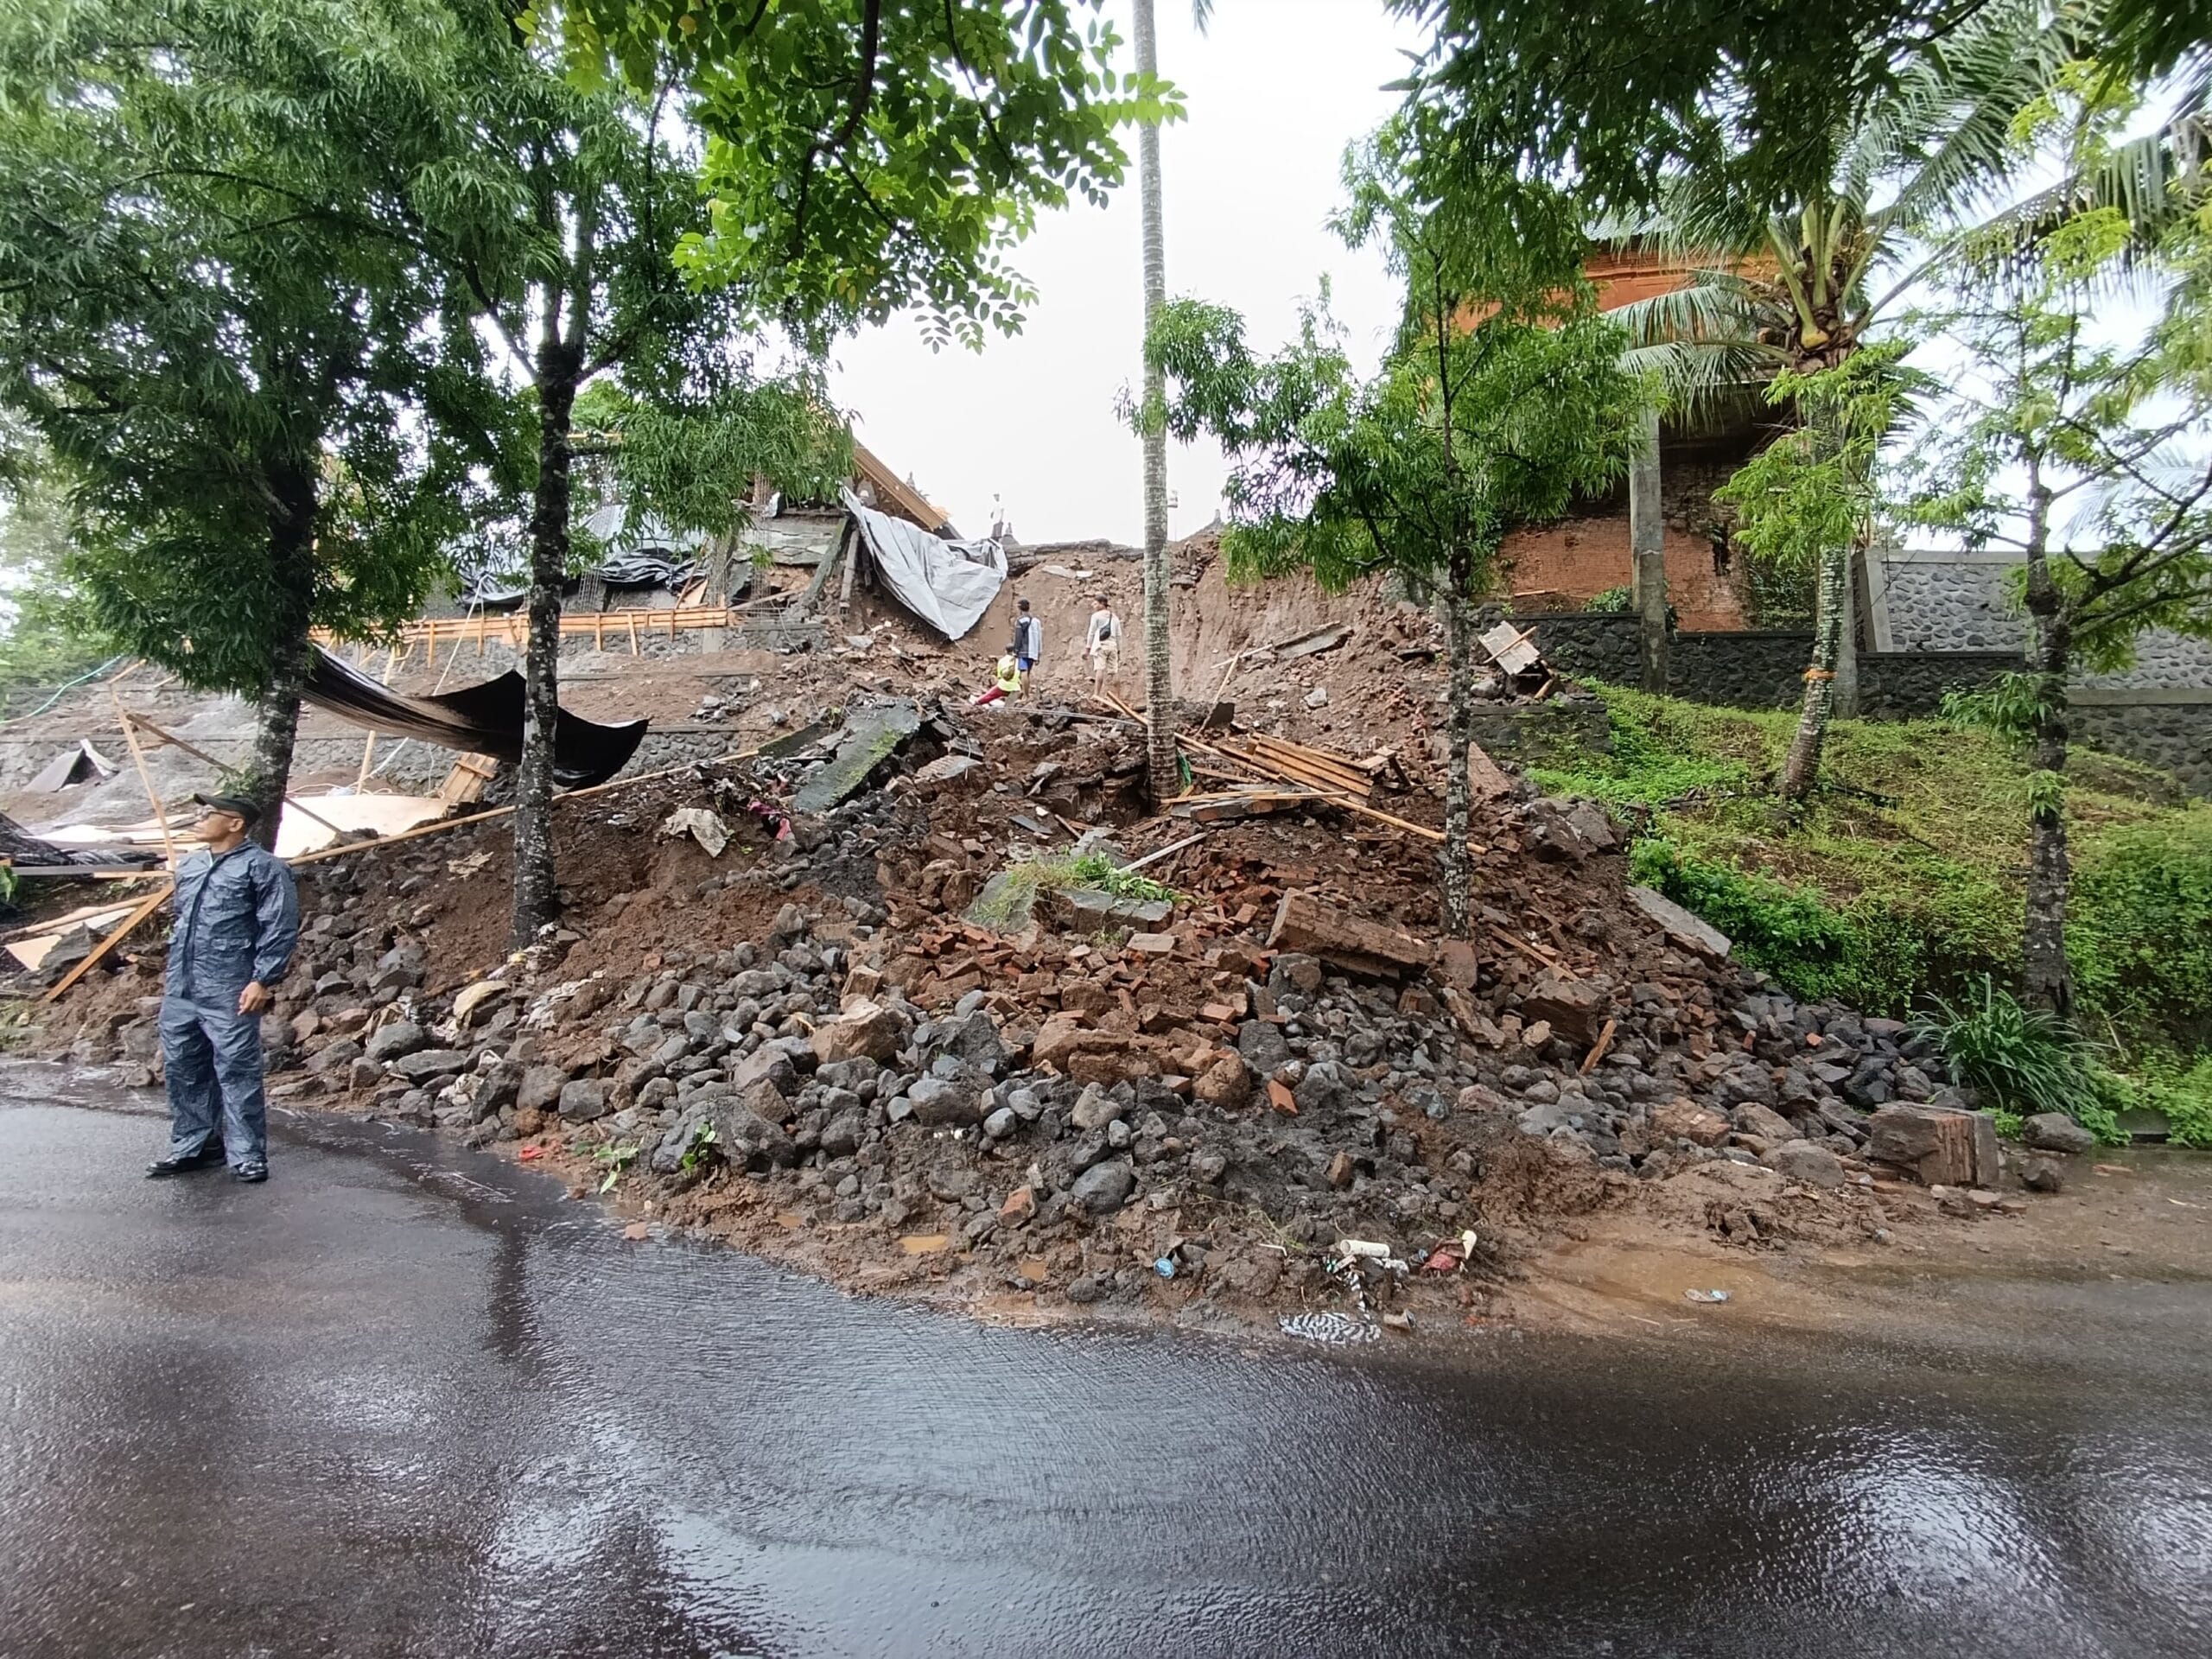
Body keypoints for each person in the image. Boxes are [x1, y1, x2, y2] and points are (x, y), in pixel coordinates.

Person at [146, 793, 300, 1184]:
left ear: (235, 824)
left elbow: (278, 926)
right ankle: (195, 1145)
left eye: (210, 814)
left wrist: (262, 979)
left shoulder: (263, 868)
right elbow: (182, 923)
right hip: (182, 986)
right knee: (183, 1067)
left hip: (229, 986)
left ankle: (247, 1154)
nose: (200, 819)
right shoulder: (192, 865)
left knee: (237, 1069)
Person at [1084, 594, 1122, 696]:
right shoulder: (1114, 617)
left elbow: (1091, 632)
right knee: (1114, 671)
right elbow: (1119, 635)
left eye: (1095, 603)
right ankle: (1118, 697)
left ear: (1102, 604)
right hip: (1113, 646)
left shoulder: (1096, 616)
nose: (1093, 606)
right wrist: (1118, 649)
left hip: (1100, 646)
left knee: (1099, 669)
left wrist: (1088, 647)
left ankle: (1096, 694)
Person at [1010, 598, 1043, 690]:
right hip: (1033, 651)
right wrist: (1038, 654)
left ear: (1019, 608)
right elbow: (1039, 638)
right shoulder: (1036, 621)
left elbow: (1018, 637)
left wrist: (1015, 650)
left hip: (1023, 650)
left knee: (1023, 671)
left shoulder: (1020, 621)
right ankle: (1025, 693)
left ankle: (1025, 695)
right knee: (1028, 672)